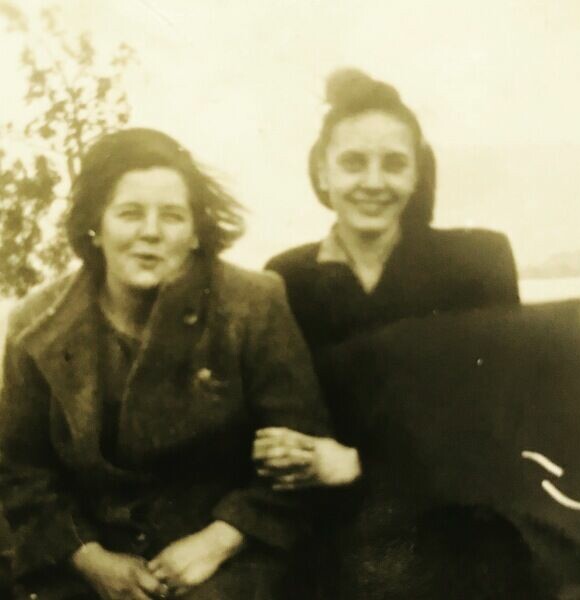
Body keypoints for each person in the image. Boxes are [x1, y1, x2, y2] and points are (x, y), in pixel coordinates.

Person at [0, 128, 330, 600]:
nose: (150, 232)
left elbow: (300, 459)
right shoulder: (37, 325)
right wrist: (93, 562)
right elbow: (23, 473)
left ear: (195, 233)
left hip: (227, 566)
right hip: (87, 572)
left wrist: (218, 543)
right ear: (96, 225)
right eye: (130, 213)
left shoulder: (253, 306)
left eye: (172, 215)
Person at [253, 69, 541, 599]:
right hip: (335, 534)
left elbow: (499, 423)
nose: (374, 181)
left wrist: (359, 463)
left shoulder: (478, 261)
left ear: (416, 174)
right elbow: (287, 418)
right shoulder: (285, 277)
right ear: (322, 173)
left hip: (460, 527)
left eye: (394, 163)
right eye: (353, 162)